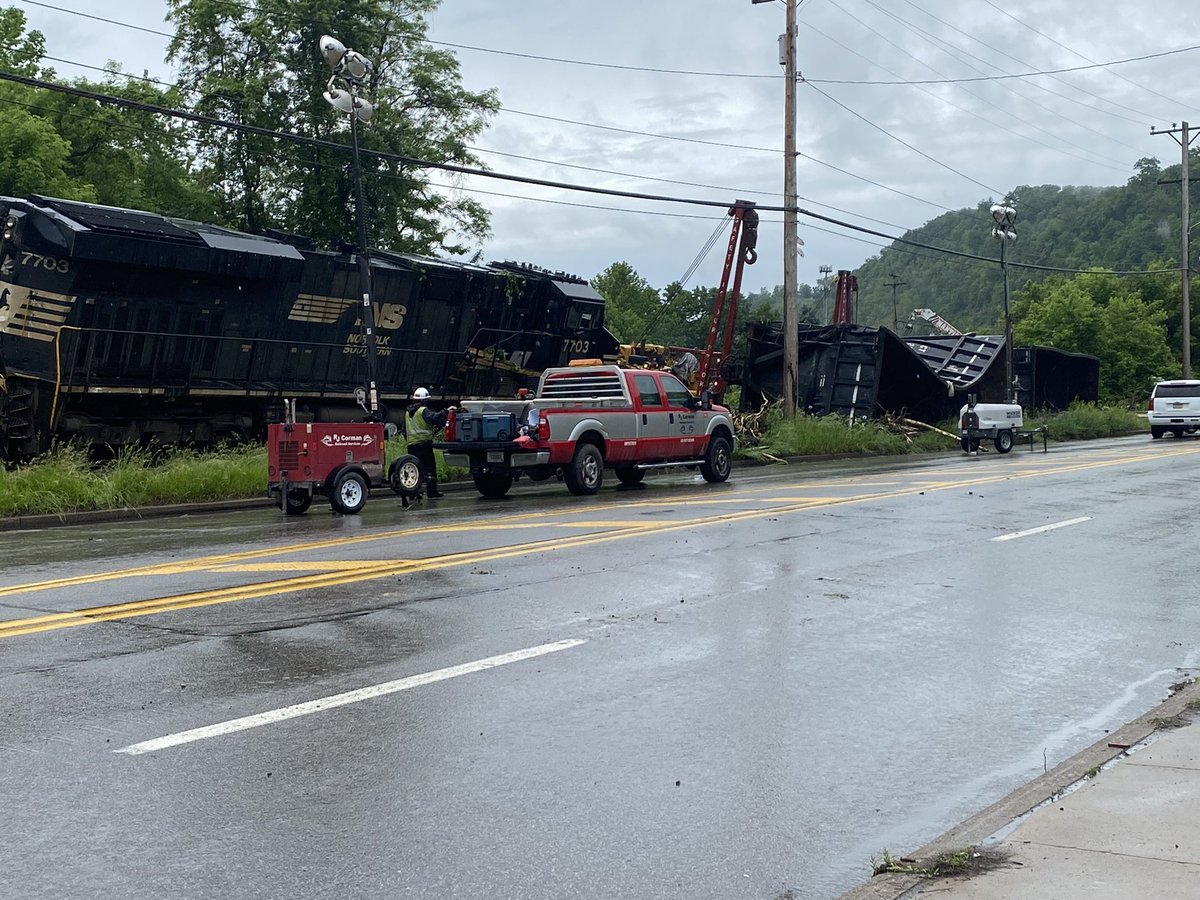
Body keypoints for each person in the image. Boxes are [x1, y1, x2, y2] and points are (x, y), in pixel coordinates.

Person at [405, 387, 450, 498]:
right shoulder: (423, 411)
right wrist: (446, 411)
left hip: (411, 446)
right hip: (424, 445)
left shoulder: (408, 412)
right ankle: (432, 491)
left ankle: (414, 493)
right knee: (429, 469)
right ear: (424, 400)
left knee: (415, 470)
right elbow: (434, 418)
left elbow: (404, 430)